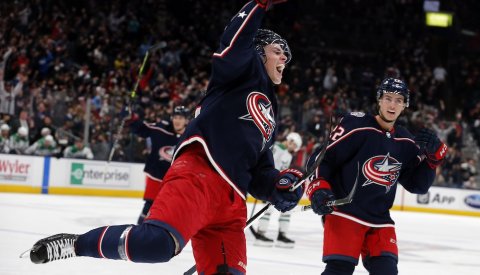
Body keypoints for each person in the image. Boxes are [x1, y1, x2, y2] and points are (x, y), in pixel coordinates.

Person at [28, 1, 304, 274]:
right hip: (201, 175)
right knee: (157, 244)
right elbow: (233, 43)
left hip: (231, 204)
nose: (284, 60)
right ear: (257, 53)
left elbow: (259, 169)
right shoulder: (240, 73)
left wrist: (279, 186)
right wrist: (258, 5)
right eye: (278, 52)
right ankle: (77, 244)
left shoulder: (270, 109)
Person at [305, 77, 448, 275]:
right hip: (345, 213)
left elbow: (417, 185)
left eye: (399, 100)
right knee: (339, 270)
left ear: (405, 105)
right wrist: (318, 189)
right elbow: (323, 158)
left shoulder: (406, 141)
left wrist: (433, 160)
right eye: (388, 98)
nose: (392, 104)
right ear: (379, 100)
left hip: (380, 220)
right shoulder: (356, 126)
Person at [124, 105, 189, 224]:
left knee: (172, 210)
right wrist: (131, 118)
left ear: (186, 120)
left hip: (175, 179)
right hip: (156, 175)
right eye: (175, 117)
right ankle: (139, 233)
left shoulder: (190, 135)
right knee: (149, 206)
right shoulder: (161, 129)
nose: (177, 120)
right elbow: (143, 129)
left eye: (181, 118)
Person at [254, 132, 302, 248]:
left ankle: (282, 235)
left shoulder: (288, 154)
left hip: (279, 185)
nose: (293, 148)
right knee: (268, 209)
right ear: (290, 141)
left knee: (287, 209)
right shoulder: (276, 147)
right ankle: (260, 234)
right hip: (271, 184)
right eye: (294, 145)